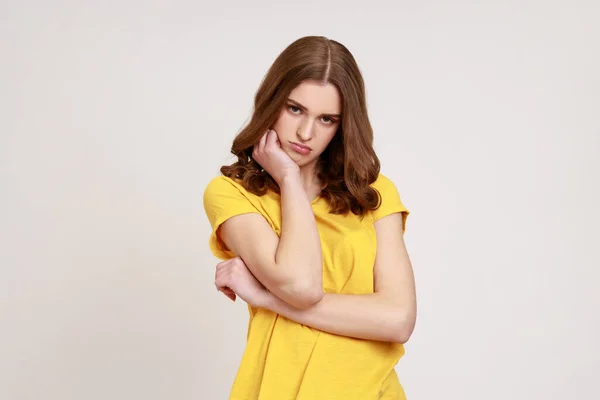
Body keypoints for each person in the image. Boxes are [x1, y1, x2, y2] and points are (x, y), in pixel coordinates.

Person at [203, 35, 417, 399]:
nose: (306, 133)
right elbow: (302, 287)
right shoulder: (233, 194)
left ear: (342, 125)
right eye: (295, 109)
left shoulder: (374, 193)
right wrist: (288, 178)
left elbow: (398, 320)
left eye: (327, 119)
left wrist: (265, 297)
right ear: (272, 102)